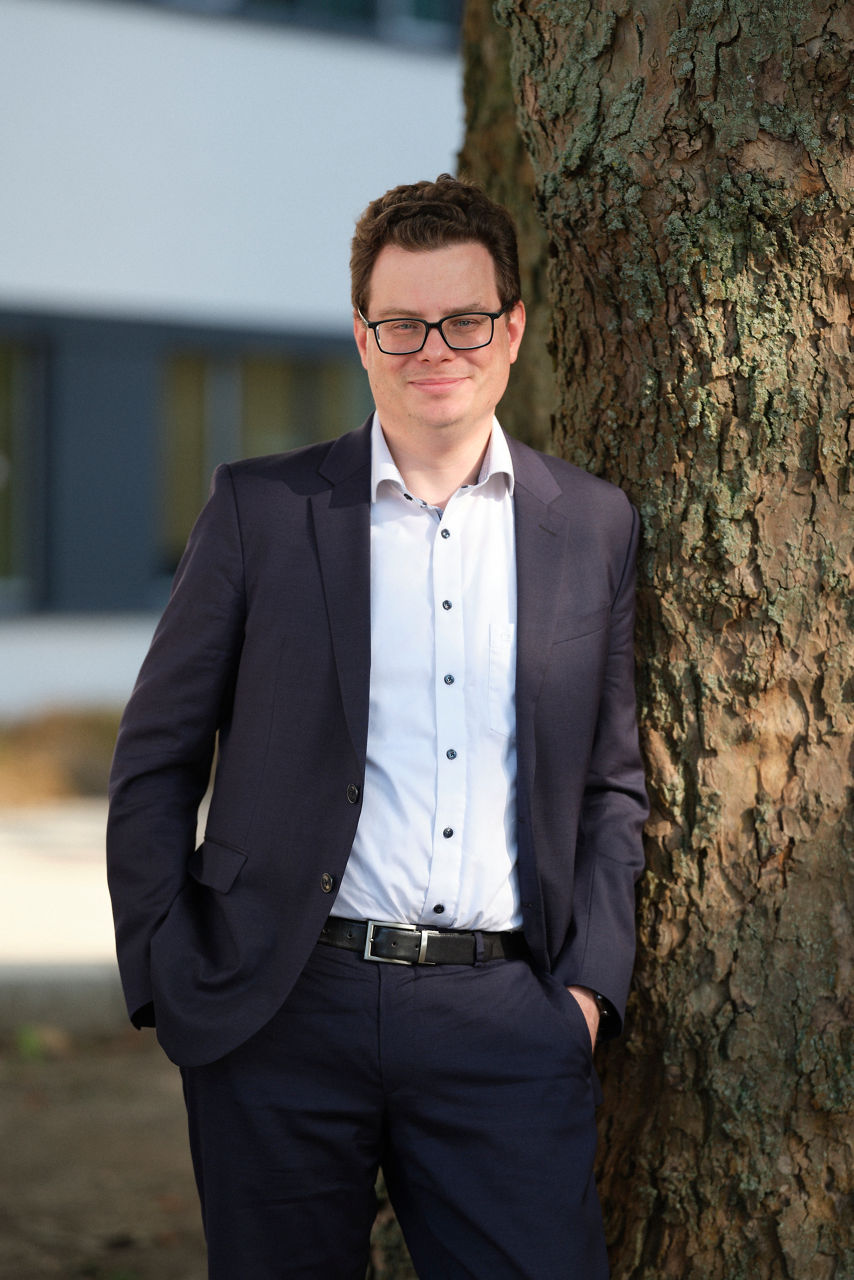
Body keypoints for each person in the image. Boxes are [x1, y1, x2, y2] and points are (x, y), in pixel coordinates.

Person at [107, 174, 648, 1280]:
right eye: (402, 323)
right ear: (363, 336)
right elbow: (156, 755)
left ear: (512, 331)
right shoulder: (262, 509)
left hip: (505, 1016)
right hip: (280, 1008)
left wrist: (586, 991)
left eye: (464, 320)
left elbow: (610, 783)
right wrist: (169, 970)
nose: (433, 349)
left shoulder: (592, 525)